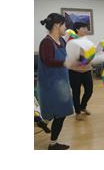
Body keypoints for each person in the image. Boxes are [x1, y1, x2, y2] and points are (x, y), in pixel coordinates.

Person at [38, 13, 73, 150]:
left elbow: (64, 58)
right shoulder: (46, 42)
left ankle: (43, 122)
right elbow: (48, 61)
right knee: (60, 114)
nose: (66, 28)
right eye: (64, 25)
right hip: (50, 84)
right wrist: (66, 62)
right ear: (57, 25)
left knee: (58, 112)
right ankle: (53, 144)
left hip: (62, 82)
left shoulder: (62, 41)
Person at [66, 22, 93, 120]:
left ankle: (83, 106)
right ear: (77, 29)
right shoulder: (72, 41)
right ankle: (77, 112)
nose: (86, 30)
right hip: (74, 71)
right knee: (76, 92)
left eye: (87, 28)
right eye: (84, 28)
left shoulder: (86, 40)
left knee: (89, 90)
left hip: (87, 70)